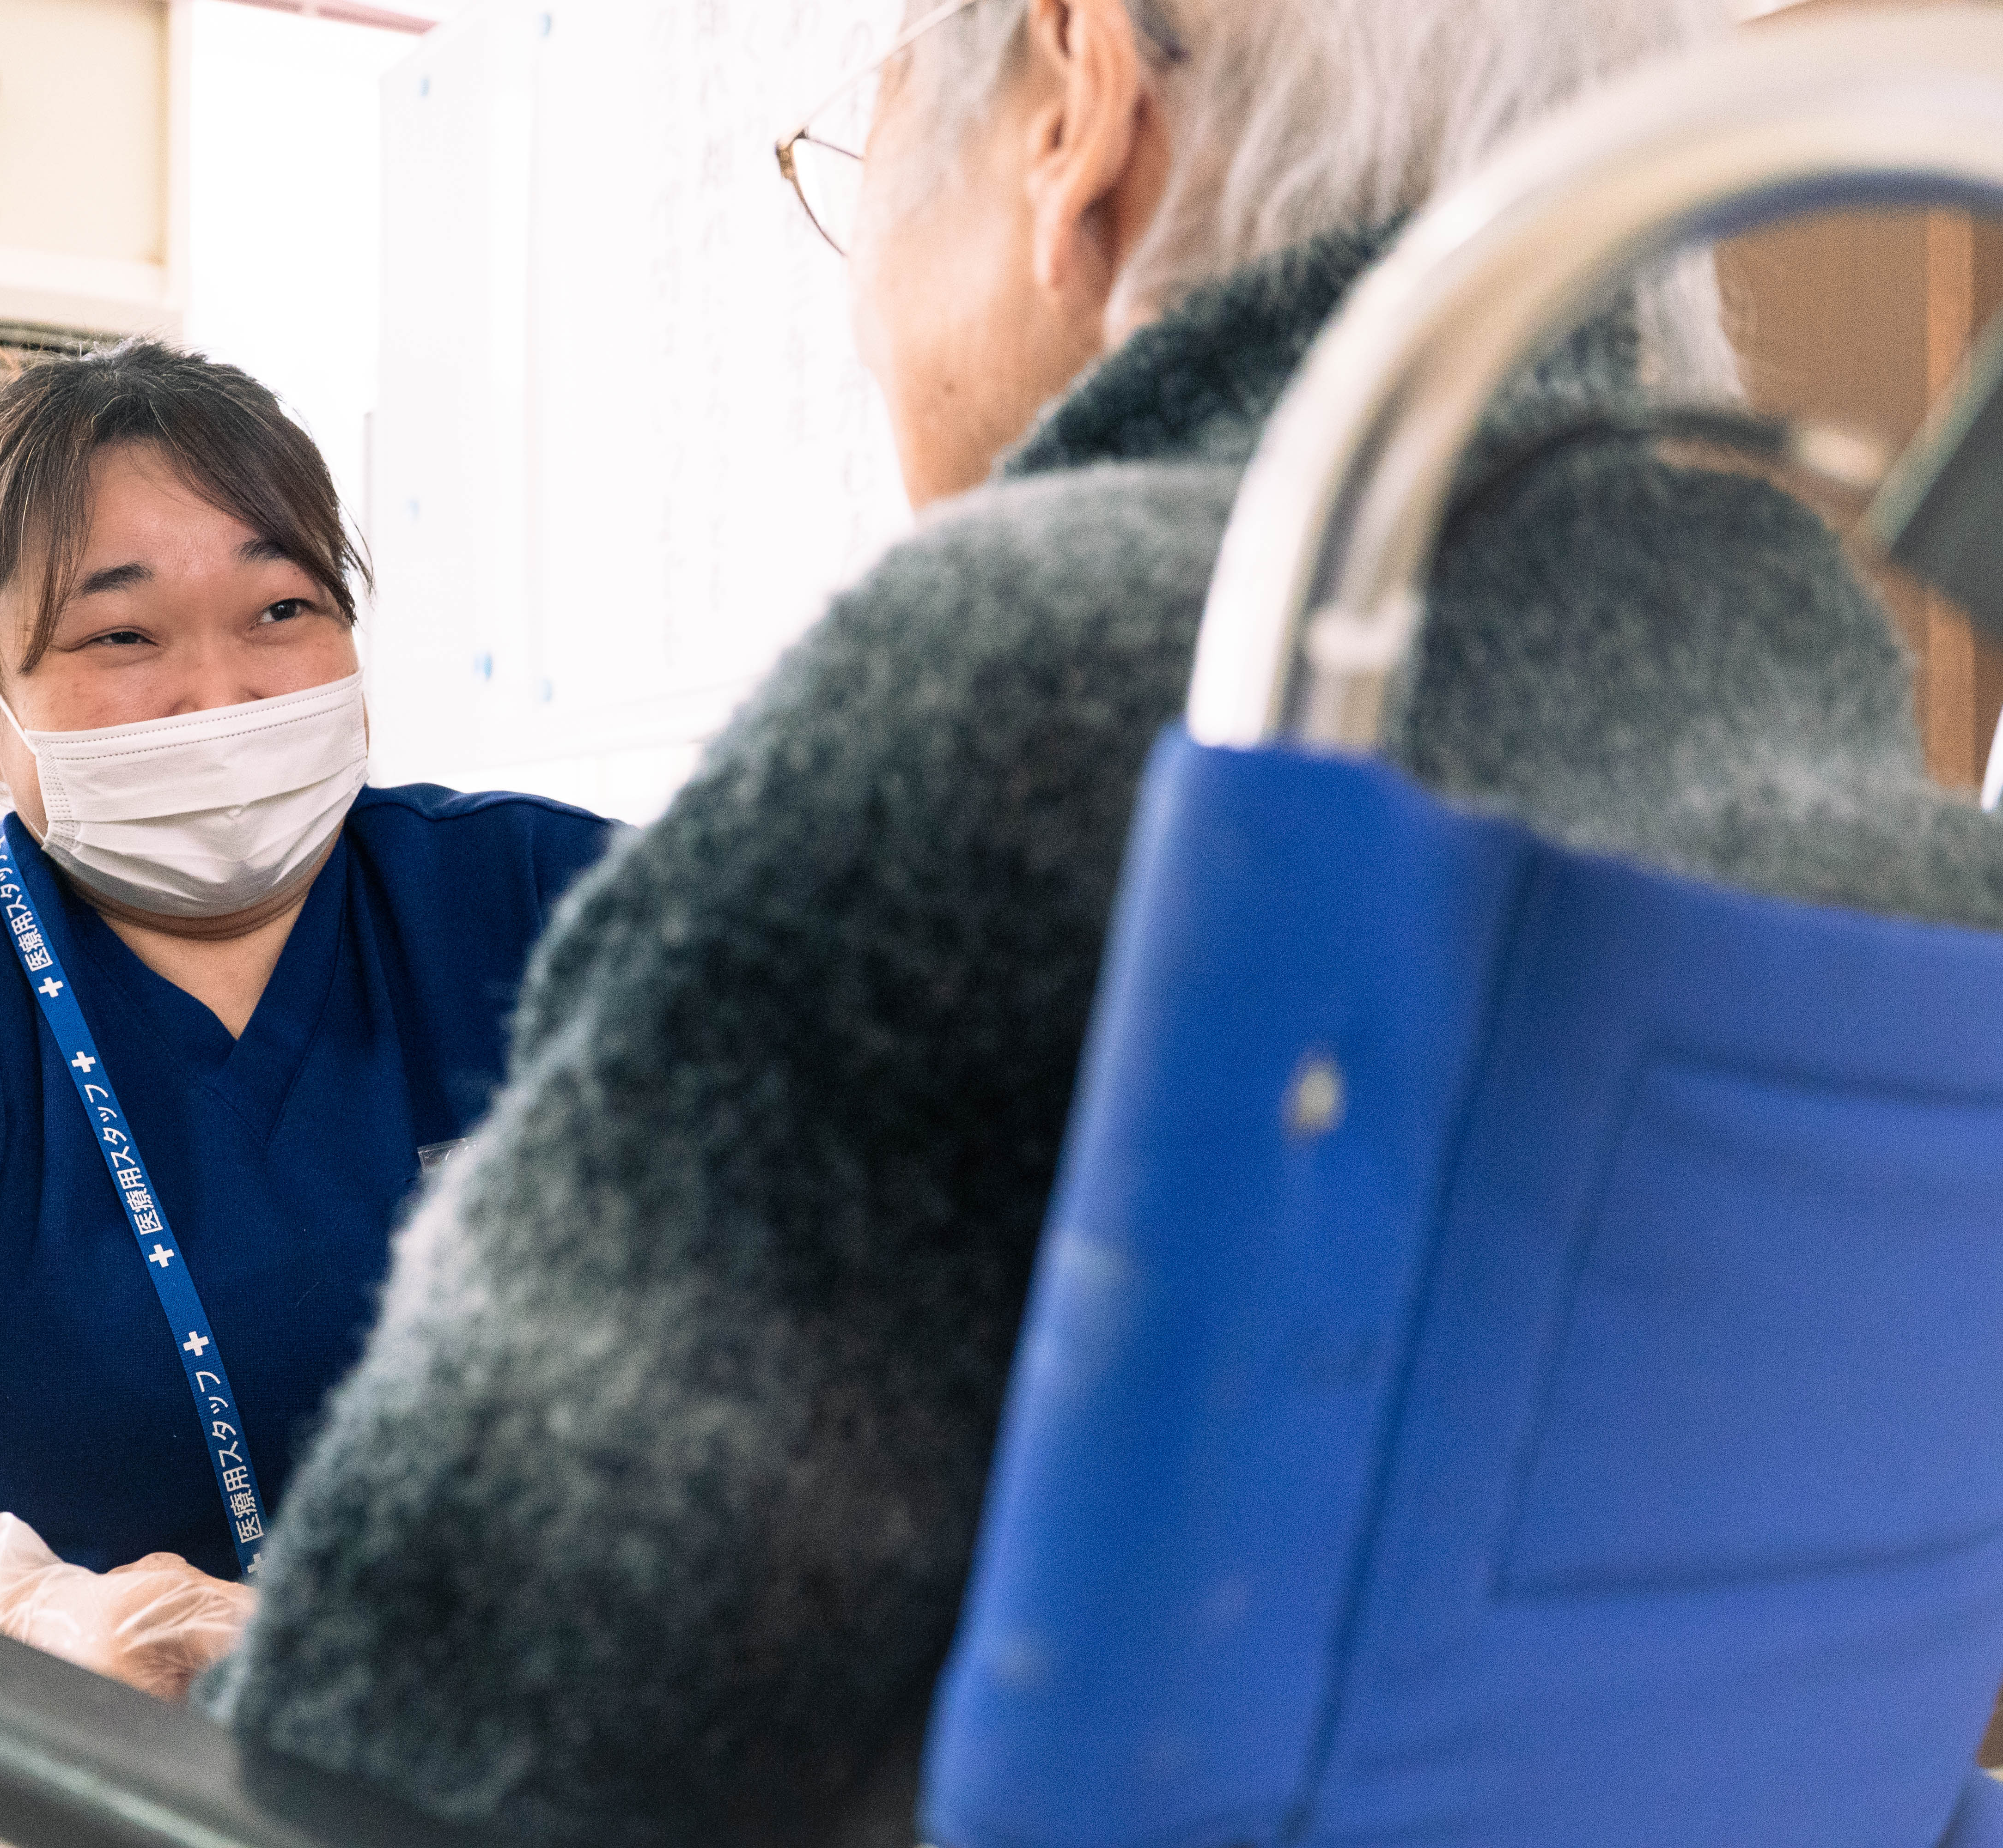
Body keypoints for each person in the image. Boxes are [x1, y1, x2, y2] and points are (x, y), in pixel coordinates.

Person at [203, 0, 2003, 1844]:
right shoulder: (1816, 692)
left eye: (864, 160)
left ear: (1076, 100)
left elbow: (417, 1739)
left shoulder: (1036, 689)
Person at [0, 341, 614, 1846]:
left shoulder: (546, 898)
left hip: (495, 1728)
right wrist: (9, 1606)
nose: (218, 695)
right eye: (121, 635)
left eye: (283, 610)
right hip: (26, 1723)